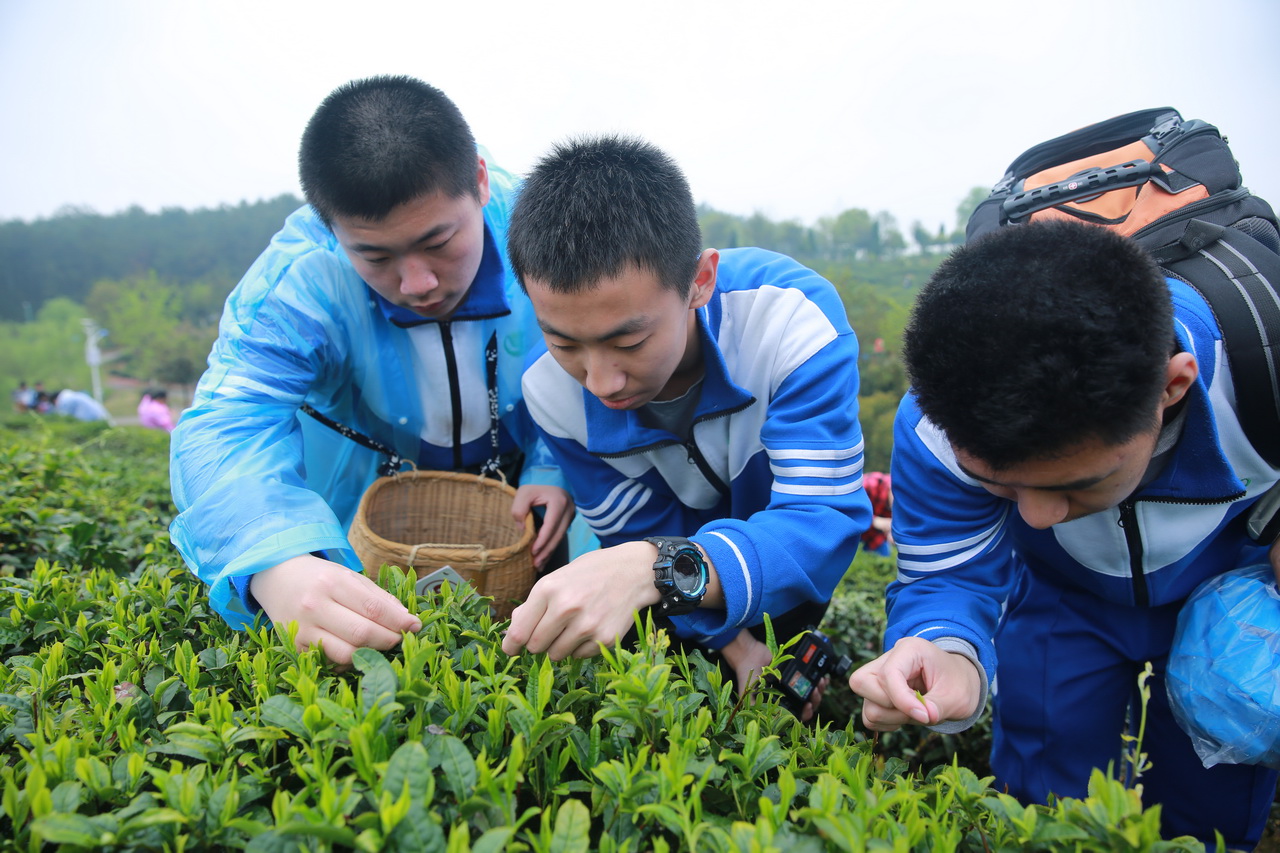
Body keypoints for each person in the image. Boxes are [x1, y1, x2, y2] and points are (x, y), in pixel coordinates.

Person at [847, 220, 1280, 848]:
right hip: (1058, 596)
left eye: (1075, 483)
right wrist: (948, 648)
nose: (1035, 518)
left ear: (1173, 386)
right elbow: (948, 573)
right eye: (1000, 484)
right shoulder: (939, 425)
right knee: (1045, 798)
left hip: (1224, 590)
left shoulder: (1261, 366)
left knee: (1211, 798)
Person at [169, 76, 572, 667]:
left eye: (440, 241)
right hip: (367, 495)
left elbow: (617, 350)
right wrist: (275, 558)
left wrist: (555, 460)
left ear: (481, 183)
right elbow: (230, 418)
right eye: (375, 256)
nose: (418, 284)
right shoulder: (302, 277)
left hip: (534, 494)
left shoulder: (550, 227)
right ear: (331, 227)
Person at [501, 136, 872, 719]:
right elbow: (634, 527)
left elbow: (818, 521)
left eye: (629, 341)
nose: (600, 381)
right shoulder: (548, 390)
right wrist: (733, 642)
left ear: (700, 280)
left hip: (772, 566)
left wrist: (657, 565)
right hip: (671, 587)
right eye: (564, 342)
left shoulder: (788, 324)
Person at [860, 471, 893, 556]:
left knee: (885, 555)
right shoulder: (869, 484)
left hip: (872, 536)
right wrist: (874, 521)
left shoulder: (896, 507)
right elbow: (846, 511)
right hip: (851, 531)